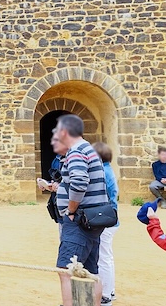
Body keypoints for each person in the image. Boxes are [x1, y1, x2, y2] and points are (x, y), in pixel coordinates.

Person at [53, 114, 107, 306]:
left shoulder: (76, 151)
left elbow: (79, 180)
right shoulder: (88, 149)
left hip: (80, 221)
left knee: (65, 271)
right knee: (90, 272)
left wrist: (71, 210)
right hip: (92, 220)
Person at [93, 142, 119, 305]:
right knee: (104, 256)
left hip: (106, 220)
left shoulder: (102, 171)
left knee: (104, 257)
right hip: (109, 219)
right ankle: (109, 290)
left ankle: (107, 292)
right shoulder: (106, 169)